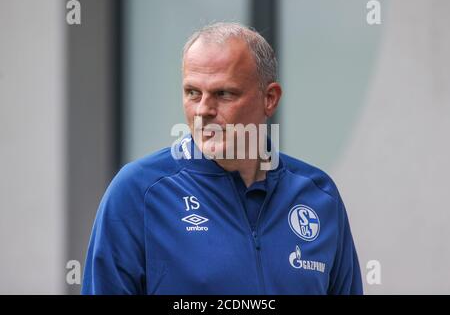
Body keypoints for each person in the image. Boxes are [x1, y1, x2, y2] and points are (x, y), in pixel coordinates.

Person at [81, 22, 363, 295]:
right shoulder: (138, 192)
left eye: (224, 93)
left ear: (270, 98)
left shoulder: (318, 195)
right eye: (193, 93)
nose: (203, 110)